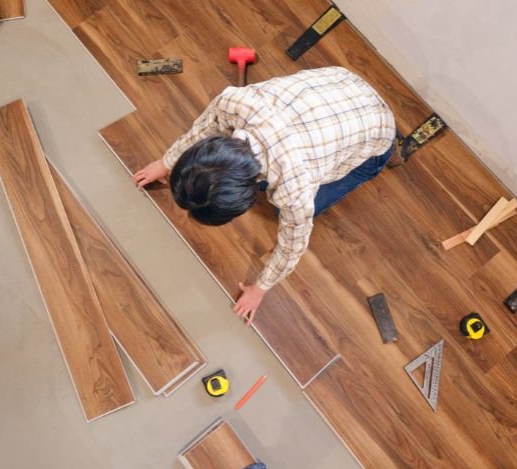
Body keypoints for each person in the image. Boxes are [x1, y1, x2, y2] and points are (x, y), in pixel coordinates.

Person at [132, 66, 396, 323]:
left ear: (246, 198)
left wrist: (259, 289)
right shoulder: (234, 101)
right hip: (340, 82)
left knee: (289, 211)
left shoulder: (295, 189)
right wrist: (166, 163)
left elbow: (293, 246)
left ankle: (391, 153)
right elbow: (202, 131)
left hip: (377, 131)